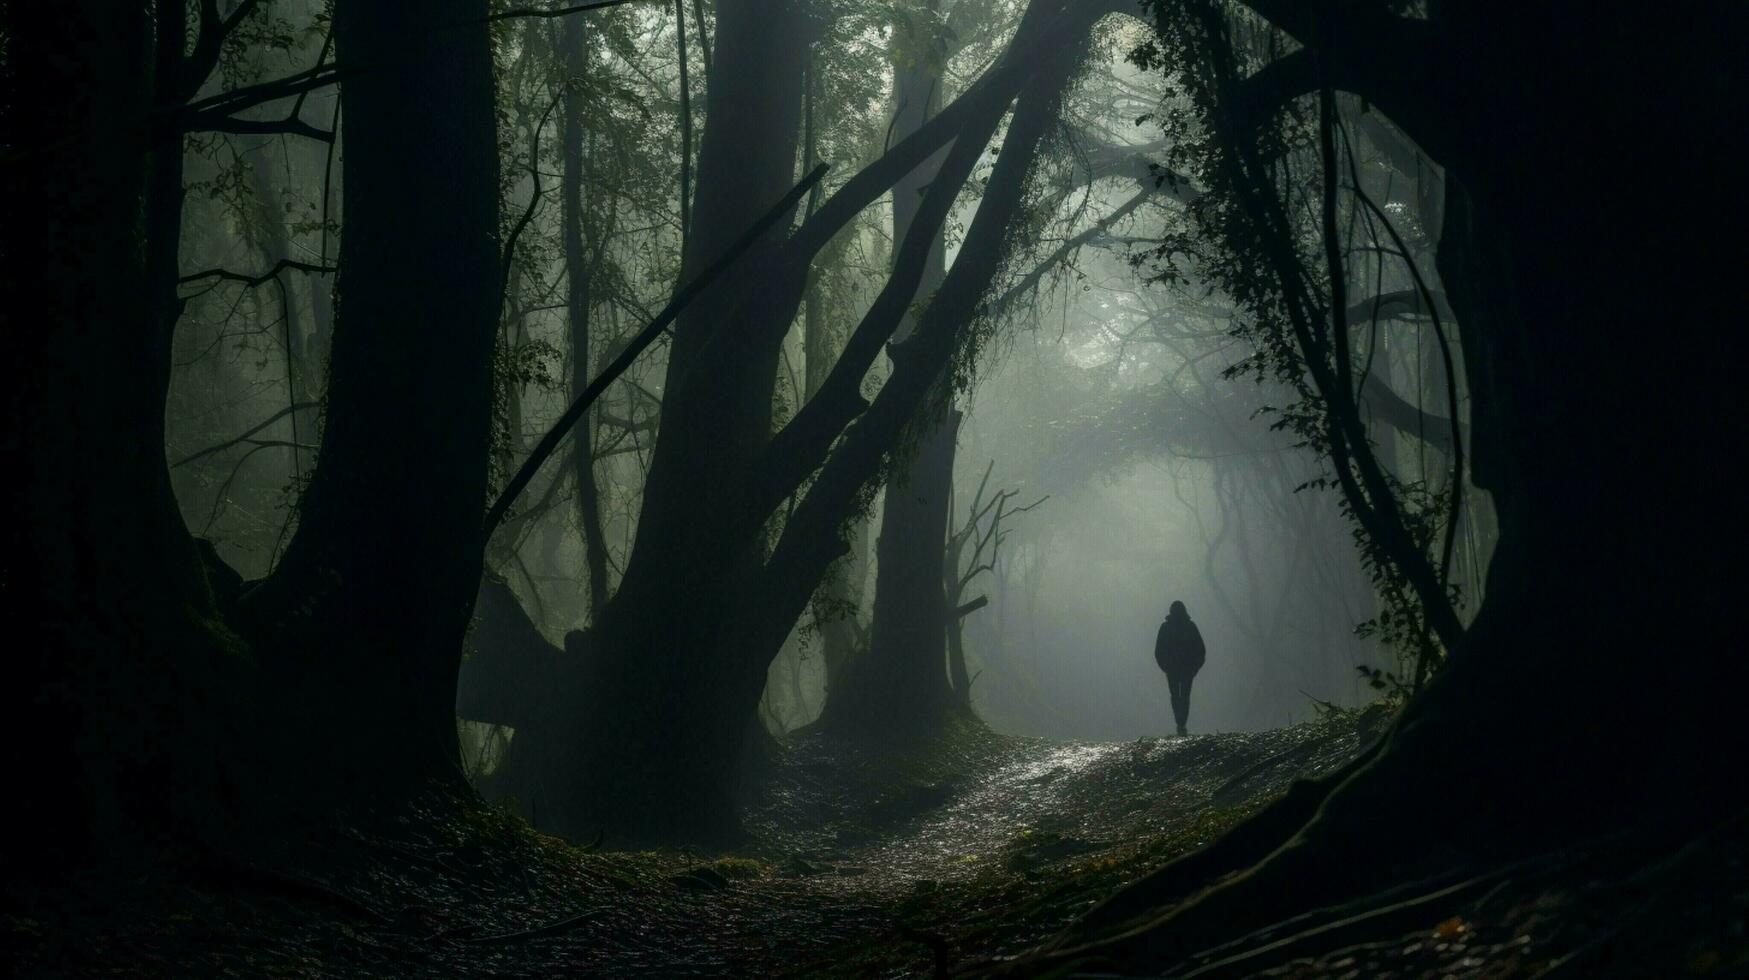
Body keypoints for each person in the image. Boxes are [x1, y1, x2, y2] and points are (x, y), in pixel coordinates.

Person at [1154, 600, 1206, 736]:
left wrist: (1165, 667)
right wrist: (1195, 668)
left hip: (1173, 670)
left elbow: (1158, 651)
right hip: (1186, 670)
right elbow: (1201, 650)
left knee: (1175, 696)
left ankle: (1180, 723)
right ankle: (1182, 723)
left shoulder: (1165, 628)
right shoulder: (1190, 626)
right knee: (1184, 696)